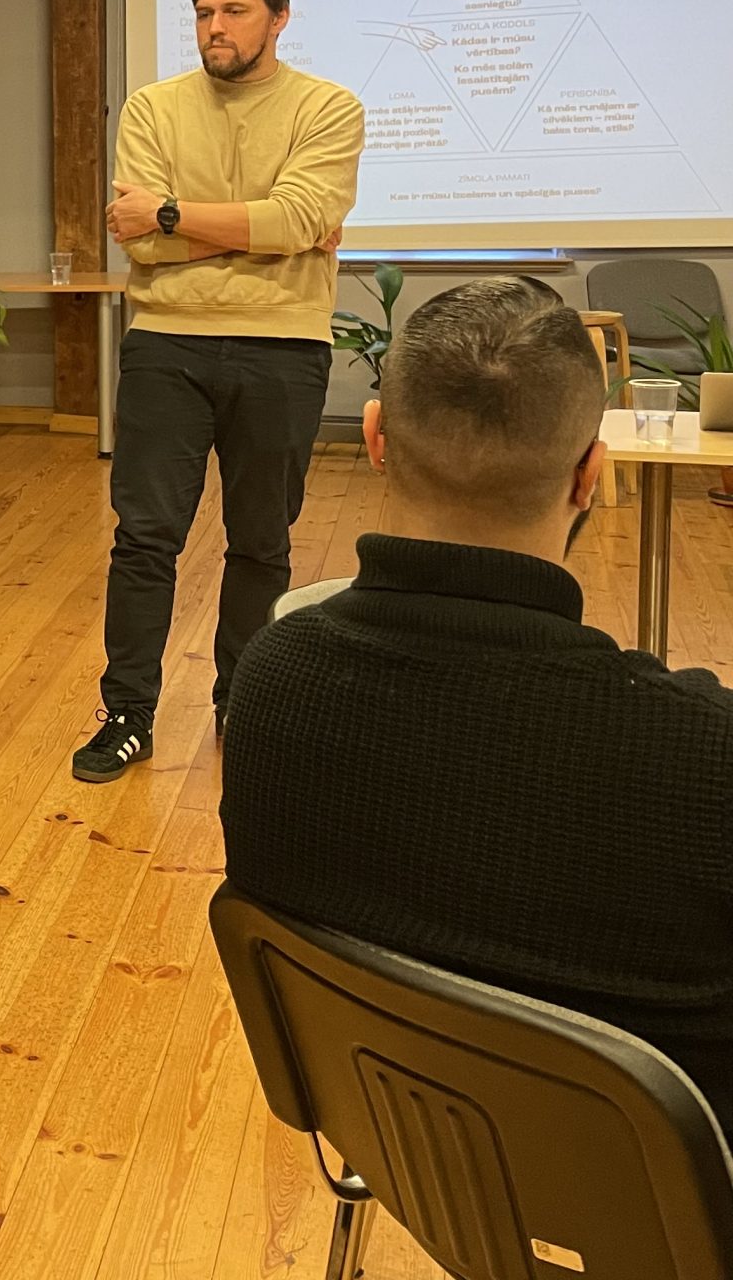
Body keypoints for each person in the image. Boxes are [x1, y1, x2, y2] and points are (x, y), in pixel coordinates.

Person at [221, 276, 733, 1118]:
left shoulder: (275, 679)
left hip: (395, 1134)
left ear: (376, 439)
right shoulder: (703, 757)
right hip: (655, 1193)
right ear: (590, 473)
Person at [74, 0, 365, 783]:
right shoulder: (153, 107)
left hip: (285, 346)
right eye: (204, 13)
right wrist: (268, 232)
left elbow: (300, 215)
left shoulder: (328, 107)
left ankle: (242, 702)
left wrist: (172, 215)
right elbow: (139, 242)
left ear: (279, 18)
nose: (214, 28)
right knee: (144, 538)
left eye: (234, 12)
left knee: (262, 541)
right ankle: (128, 716)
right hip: (168, 342)